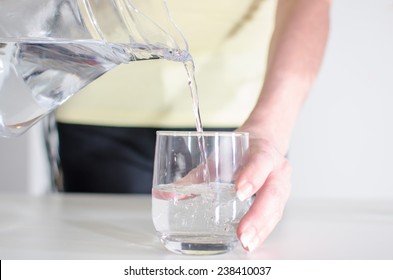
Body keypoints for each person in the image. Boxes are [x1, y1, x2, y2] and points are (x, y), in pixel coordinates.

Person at [53, 0, 332, 252]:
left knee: (233, 259)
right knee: (109, 256)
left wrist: (270, 129)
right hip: (99, 98)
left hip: (238, 124)